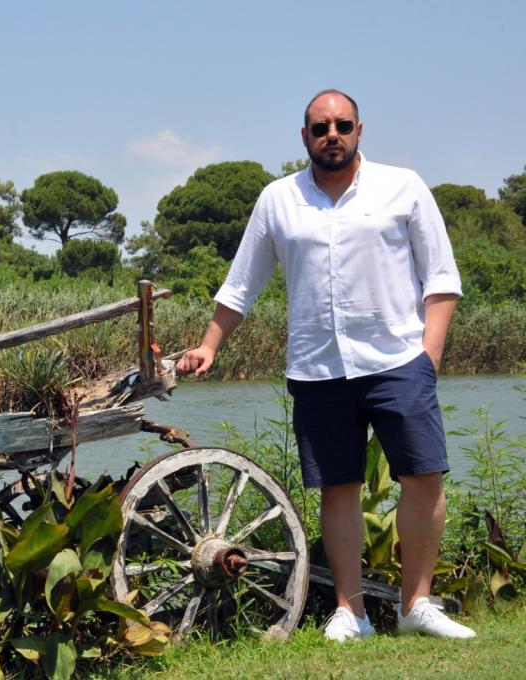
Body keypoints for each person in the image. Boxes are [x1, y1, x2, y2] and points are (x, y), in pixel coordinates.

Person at [177, 89, 476, 641]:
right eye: (320, 128)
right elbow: (242, 284)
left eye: (341, 125)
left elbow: (442, 278)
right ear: (305, 137)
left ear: (360, 130)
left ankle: (417, 607)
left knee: (424, 478)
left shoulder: (403, 187)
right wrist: (210, 345)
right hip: (318, 367)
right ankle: (351, 612)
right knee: (338, 488)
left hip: (398, 359)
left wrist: (428, 356)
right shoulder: (277, 200)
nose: (331, 134)